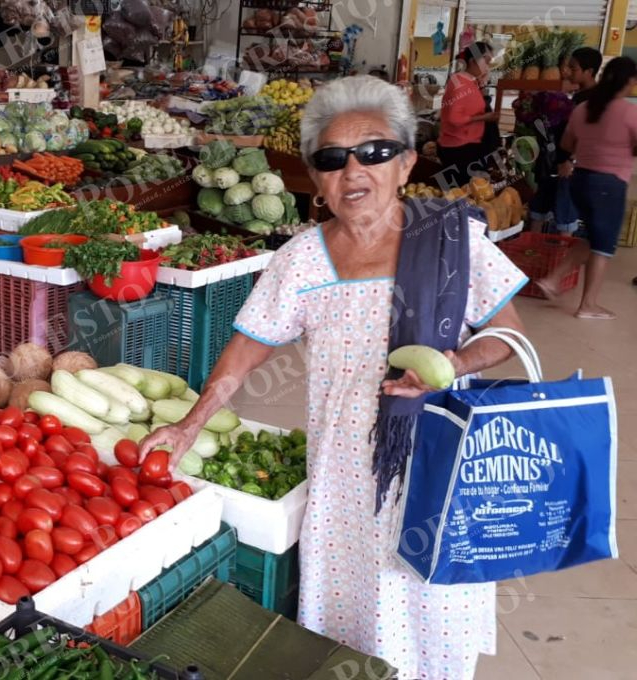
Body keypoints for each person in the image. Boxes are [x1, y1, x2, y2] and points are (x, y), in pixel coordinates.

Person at [138, 76, 529, 680]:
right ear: (316, 180)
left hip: (436, 465)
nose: (353, 171)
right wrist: (190, 426)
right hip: (343, 473)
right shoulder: (301, 258)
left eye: (375, 152)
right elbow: (246, 350)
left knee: (431, 607)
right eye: (332, 159)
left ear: (406, 164)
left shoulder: (452, 240)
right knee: (354, 611)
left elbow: (508, 336)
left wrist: (452, 364)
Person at [536, 56, 637, 319]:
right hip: (608, 185)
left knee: (593, 236)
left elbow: (566, 144)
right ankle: (588, 305)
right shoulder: (629, 112)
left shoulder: (584, 109)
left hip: (580, 180)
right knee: (604, 246)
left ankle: (552, 280)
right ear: (629, 81)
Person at [527, 47, 601, 233]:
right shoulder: (576, 95)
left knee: (564, 213)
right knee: (539, 207)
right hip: (555, 160)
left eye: (573, 68)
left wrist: (571, 160)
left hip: (570, 166)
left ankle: (561, 249)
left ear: (589, 71)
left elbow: (591, 136)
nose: (567, 72)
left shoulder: (595, 100)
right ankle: (532, 247)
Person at [437, 42, 497, 186]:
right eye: (486, 61)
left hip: (468, 146)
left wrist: (481, 82)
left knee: (469, 191)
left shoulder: (470, 82)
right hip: (459, 149)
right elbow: (454, 118)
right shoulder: (459, 82)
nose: (488, 66)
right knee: (460, 191)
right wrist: (484, 117)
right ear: (472, 61)